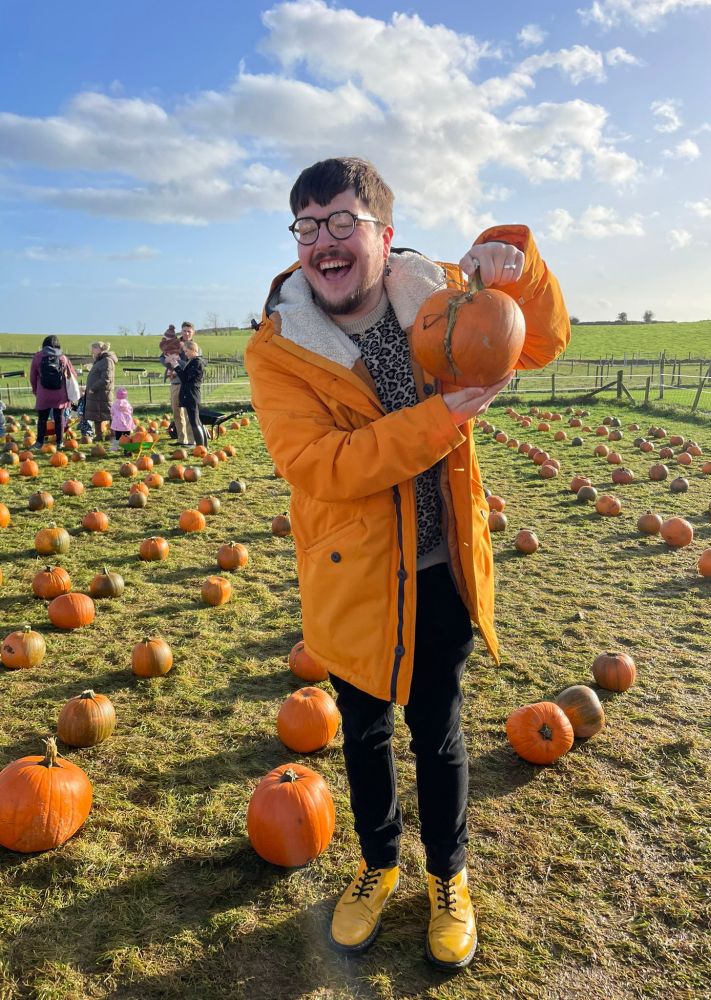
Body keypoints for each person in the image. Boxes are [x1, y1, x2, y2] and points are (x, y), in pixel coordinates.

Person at [244, 157, 569, 969]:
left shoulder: (441, 298)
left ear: (384, 235)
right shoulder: (281, 350)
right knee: (362, 729)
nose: (325, 241)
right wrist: (440, 418)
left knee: (438, 728)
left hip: (439, 568)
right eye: (308, 226)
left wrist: (515, 261)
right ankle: (380, 863)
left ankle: (449, 877)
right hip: (351, 577)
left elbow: (544, 340)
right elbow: (320, 465)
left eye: (344, 223)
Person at [29, 335, 77, 448]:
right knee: (59, 418)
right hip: (59, 394)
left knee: (42, 419)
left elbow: (32, 376)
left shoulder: (38, 356)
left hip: (43, 393)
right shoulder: (63, 358)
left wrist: (36, 390)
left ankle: (39, 442)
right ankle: (59, 443)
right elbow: (73, 374)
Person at [170, 340, 207, 447]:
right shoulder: (192, 362)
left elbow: (185, 379)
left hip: (191, 395)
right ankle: (203, 446)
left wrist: (176, 366)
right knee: (196, 422)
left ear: (192, 350)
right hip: (191, 394)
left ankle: (201, 447)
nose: (185, 353)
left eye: (186, 351)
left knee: (194, 422)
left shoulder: (196, 362)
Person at [84, 341, 118, 441]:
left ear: (100, 349)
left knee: (108, 413)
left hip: (103, 393)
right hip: (97, 394)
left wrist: (93, 388)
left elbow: (106, 378)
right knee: (97, 415)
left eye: (94, 348)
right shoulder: (100, 360)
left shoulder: (107, 360)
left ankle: (113, 434)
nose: (91, 350)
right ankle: (99, 435)